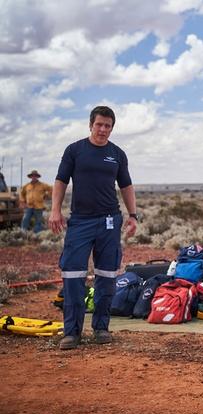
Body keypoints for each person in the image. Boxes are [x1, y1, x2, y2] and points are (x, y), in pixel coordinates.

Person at [49, 106, 138, 350]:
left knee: (107, 275)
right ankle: (72, 332)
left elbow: (126, 185)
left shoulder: (117, 154)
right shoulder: (75, 150)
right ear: (91, 124)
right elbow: (61, 180)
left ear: (112, 128)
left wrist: (133, 215)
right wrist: (55, 210)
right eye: (99, 124)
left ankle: (101, 328)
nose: (103, 129)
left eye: (107, 126)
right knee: (73, 275)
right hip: (80, 221)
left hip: (109, 221)